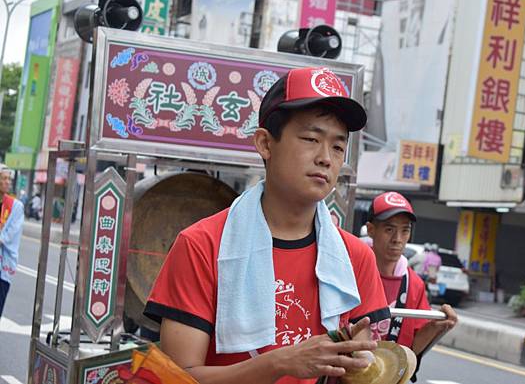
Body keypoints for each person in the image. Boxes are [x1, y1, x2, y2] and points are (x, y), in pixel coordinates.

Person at [144, 67, 392, 384]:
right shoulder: (202, 246)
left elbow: (356, 373)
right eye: (310, 139)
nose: (325, 158)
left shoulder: (355, 258)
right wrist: (278, 363)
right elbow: (175, 379)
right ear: (265, 143)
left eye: (338, 146)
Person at [366, 192, 457, 379]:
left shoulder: (413, 284)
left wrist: (437, 326)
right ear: (370, 230)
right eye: (389, 229)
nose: (397, 239)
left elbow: (411, 350)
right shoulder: (352, 269)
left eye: (405, 231)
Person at [0, 165, 24, 317]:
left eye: (9, 179)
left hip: (3, 265)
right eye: (4, 178)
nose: (8, 182)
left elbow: (10, 235)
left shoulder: (16, 207)